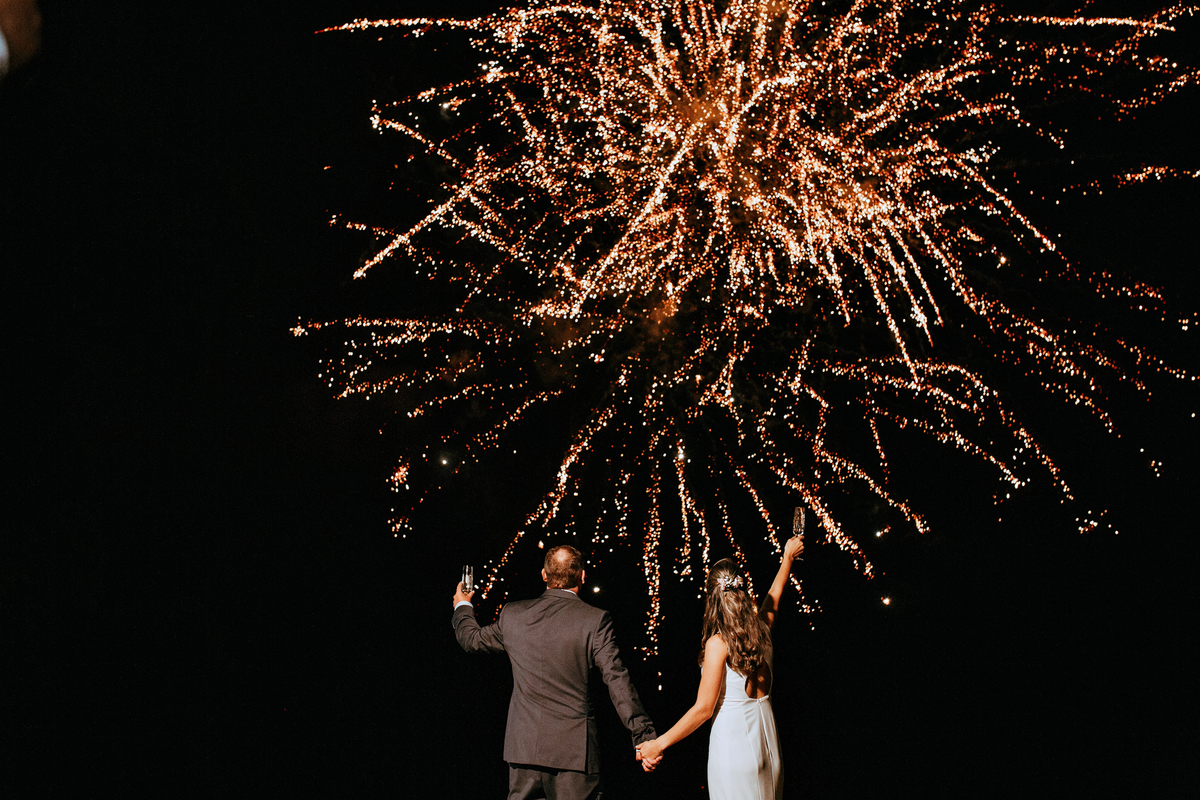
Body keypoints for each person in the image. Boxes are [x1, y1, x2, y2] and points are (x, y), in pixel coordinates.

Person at [452, 544, 658, 800]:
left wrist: (463, 605)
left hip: (524, 753)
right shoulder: (594, 620)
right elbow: (616, 679)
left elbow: (471, 639)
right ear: (582, 576)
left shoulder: (513, 614)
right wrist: (644, 735)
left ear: (544, 575)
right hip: (573, 756)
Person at [635, 536, 804, 799]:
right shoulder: (762, 630)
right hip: (769, 747)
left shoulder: (718, 644)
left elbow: (704, 709)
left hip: (734, 750)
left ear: (712, 597)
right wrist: (787, 558)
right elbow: (774, 597)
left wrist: (658, 744)